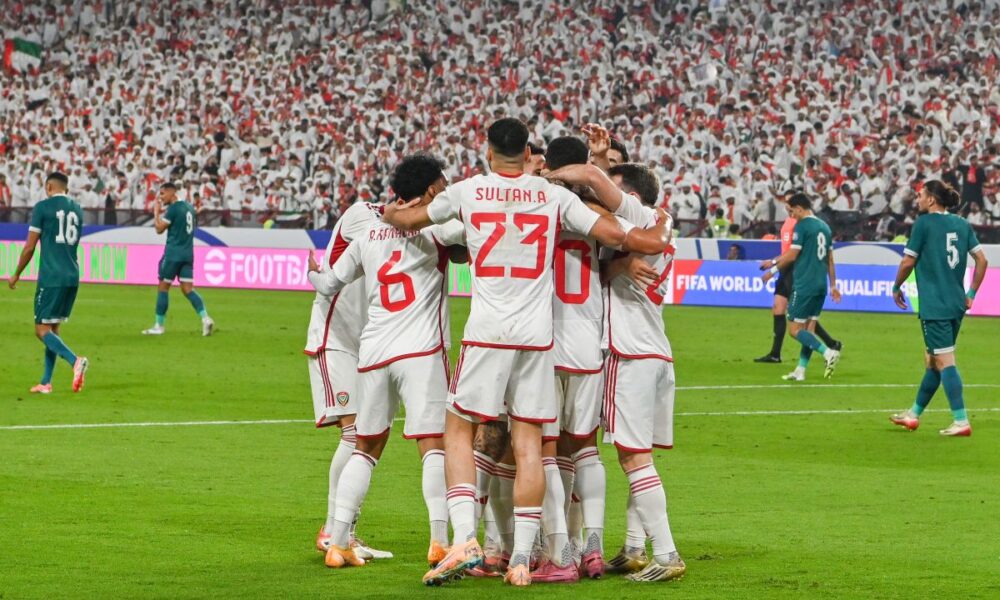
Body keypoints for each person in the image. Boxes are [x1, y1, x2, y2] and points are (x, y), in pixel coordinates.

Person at [383, 118, 638, 587]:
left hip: (487, 333)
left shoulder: (468, 191)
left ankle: (466, 537)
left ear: (487, 151)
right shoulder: (553, 196)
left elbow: (411, 219)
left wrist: (389, 214)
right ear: (526, 154)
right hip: (539, 338)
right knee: (531, 444)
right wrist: (641, 223)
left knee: (458, 430)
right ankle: (522, 557)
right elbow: (613, 232)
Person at [306, 153, 465, 569]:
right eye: (443, 184)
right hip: (421, 350)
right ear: (430, 190)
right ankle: (439, 541)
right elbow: (471, 238)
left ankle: (338, 542)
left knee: (365, 448)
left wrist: (311, 272)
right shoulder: (438, 228)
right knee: (433, 445)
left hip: (374, 352)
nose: (447, 190)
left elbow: (328, 283)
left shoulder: (367, 233)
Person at [554, 161, 685, 582]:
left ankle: (667, 554)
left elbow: (595, 181)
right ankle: (632, 547)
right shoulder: (653, 225)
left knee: (632, 458)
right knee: (639, 456)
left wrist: (552, 176)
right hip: (655, 352)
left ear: (630, 197)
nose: (603, 196)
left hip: (628, 354)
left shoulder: (642, 219)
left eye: (612, 191)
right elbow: (609, 271)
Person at [306, 195, 392, 563]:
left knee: (369, 436)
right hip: (335, 339)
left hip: (366, 342)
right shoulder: (362, 213)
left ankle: (345, 532)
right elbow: (391, 233)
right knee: (355, 433)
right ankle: (332, 530)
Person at [889, 181, 989, 437]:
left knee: (944, 361)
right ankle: (913, 415)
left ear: (931, 199)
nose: (918, 199)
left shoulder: (923, 224)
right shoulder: (962, 224)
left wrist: (896, 286)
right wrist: (971, 294)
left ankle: (961, 420)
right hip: (956, 303)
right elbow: (982, 259)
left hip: (936, 305)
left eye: (920, 195)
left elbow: (908, 261)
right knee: (933, 360)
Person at [7, 171, 89, 394]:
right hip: (72, 275)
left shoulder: (42, 208)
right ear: (66, 188)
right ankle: (46, 382)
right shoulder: (77, 209)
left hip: (52, 277)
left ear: (49, 187)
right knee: (53, 329)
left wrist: (16, 274)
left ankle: (75, 361)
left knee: (41, 330)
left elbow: (29, 247)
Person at [761, 193, 842, 381]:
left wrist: (772, 270)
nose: (791, 216)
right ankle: (801, 370)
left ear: (799, 208)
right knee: (809, 329)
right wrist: (833, 285)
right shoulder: (825, 227)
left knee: (795, 330)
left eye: (792, 211)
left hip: (805, 284)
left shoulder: (803, 226)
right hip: (820, 285)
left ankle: (828, 352)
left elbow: (791, 255)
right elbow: (830, 259)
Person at [141, 183, 215, 336]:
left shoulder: (173, 209)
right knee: (188, 289)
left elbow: (159, 229)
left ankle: (159, 326)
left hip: (173, 254)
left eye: (163, 193)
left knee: (163, 287)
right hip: (188, 254)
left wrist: (156, 213)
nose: (161, 197)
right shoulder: (189, 207)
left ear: (171, 192)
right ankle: (205, 318)